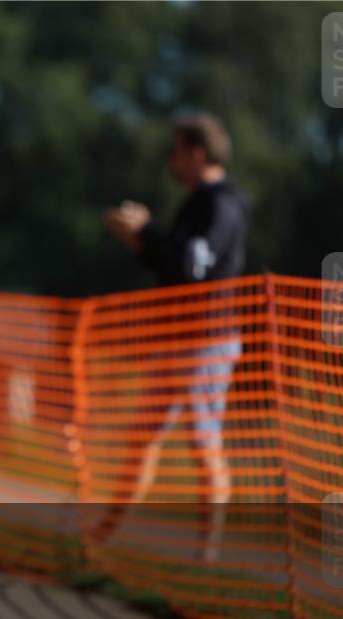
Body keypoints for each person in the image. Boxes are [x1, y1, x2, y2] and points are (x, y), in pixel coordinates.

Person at [95, 112, 250, 563]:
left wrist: (146, 230)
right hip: (177, 338)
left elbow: (192, 266)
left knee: (203, 442)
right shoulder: (199, 202)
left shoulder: (221, 205)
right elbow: (172, 265)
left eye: (176, 151)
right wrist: (140, 239)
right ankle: (103, 536)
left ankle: (209, 553)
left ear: (196, 154)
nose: (171, 160)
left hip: (206, 341)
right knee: (143, 437)